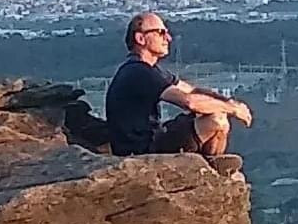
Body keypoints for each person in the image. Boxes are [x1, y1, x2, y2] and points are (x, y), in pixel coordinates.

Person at [105, 11, 253, 175]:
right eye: (161, 33)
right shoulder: (139, 72)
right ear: (140, 39)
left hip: (151, 140)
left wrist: (228, 102)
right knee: (216, 119)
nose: (167, 38)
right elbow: (189, 101)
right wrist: (232, 109)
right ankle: (210, 170)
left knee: (216, 112)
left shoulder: (149, 70)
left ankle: (210, 167)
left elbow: (192, 90)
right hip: (141, 151)